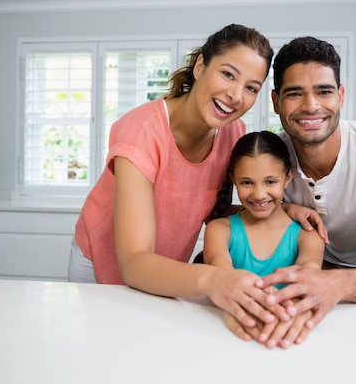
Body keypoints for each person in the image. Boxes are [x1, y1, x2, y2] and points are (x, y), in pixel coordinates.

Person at [69, 24, 319, 331]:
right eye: (228, 74)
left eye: (251, 87)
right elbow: (134, 262)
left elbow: (216, 213)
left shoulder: (233, 134)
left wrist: (285, 210)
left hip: (166, 270)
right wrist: (216, 279)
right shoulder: (141, 131)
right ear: (200, 65)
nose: (236, 95)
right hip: (102, 266)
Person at [223, 36, 356, 347]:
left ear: (340, 96)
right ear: (275, 102)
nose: (311, 106)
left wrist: (334, 283)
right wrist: (286, 209)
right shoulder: (270, 157)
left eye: (323, 91)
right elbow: (226, 214)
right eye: (295, 93)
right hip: (297, 287)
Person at [203, 130, 324, 280]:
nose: (259, 195)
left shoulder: (308, 234)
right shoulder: (219, 230)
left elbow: (308, 272)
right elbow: (220, 269)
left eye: (270, 182)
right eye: (247, 182)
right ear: (233, 179)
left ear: (288, 178)